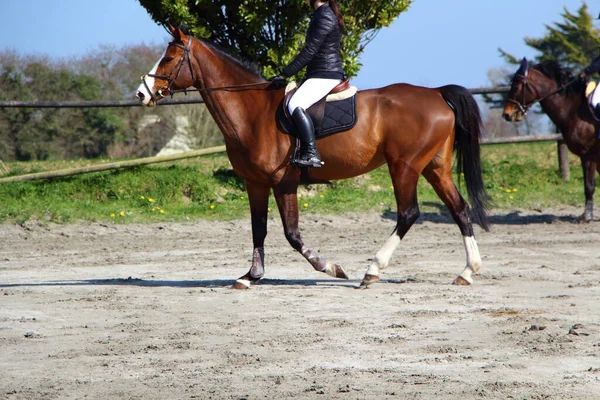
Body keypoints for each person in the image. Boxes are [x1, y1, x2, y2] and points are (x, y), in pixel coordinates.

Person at [271, 0, 345, 168]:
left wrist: (285, 73)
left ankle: (311, 153)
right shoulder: (321, 14)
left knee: (295, 104)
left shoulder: (325, 15)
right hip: (319, 73)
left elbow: (310, 51)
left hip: (325, 74)